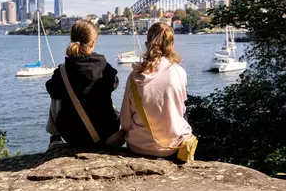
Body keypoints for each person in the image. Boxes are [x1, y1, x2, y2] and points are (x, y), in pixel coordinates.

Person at [120, 22, 192, 158]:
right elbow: (181, 112)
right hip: (172, 147)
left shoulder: (134, 77)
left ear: (147, 44)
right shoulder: (179, 73)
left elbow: (125, 123)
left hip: (137, 146)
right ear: (171, 46)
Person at [46, 19, 120, 149]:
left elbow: (50, 88)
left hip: (74, 135)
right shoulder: (104, 67)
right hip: (107, 132)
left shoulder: (63, 71)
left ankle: (55, 138)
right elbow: (115, 83)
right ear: (93, 42)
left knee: (56, 96)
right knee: (105, 94)